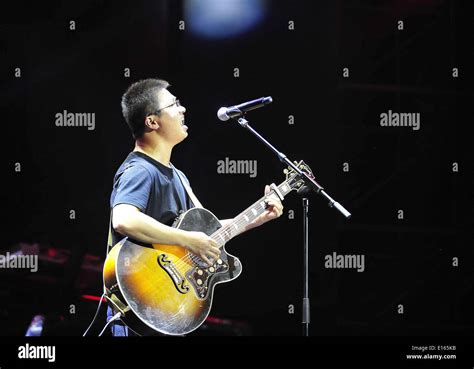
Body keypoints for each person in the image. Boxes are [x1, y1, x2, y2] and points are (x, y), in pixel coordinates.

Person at [106, 78, 283, 336]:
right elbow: (124, 220)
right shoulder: (141, 170)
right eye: (174, 104)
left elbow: (207, 235)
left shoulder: (178, 177)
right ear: (152, 122)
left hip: (165, 306)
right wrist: (188, 239)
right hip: (139, 304)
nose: (183, 109)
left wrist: (258, 217)